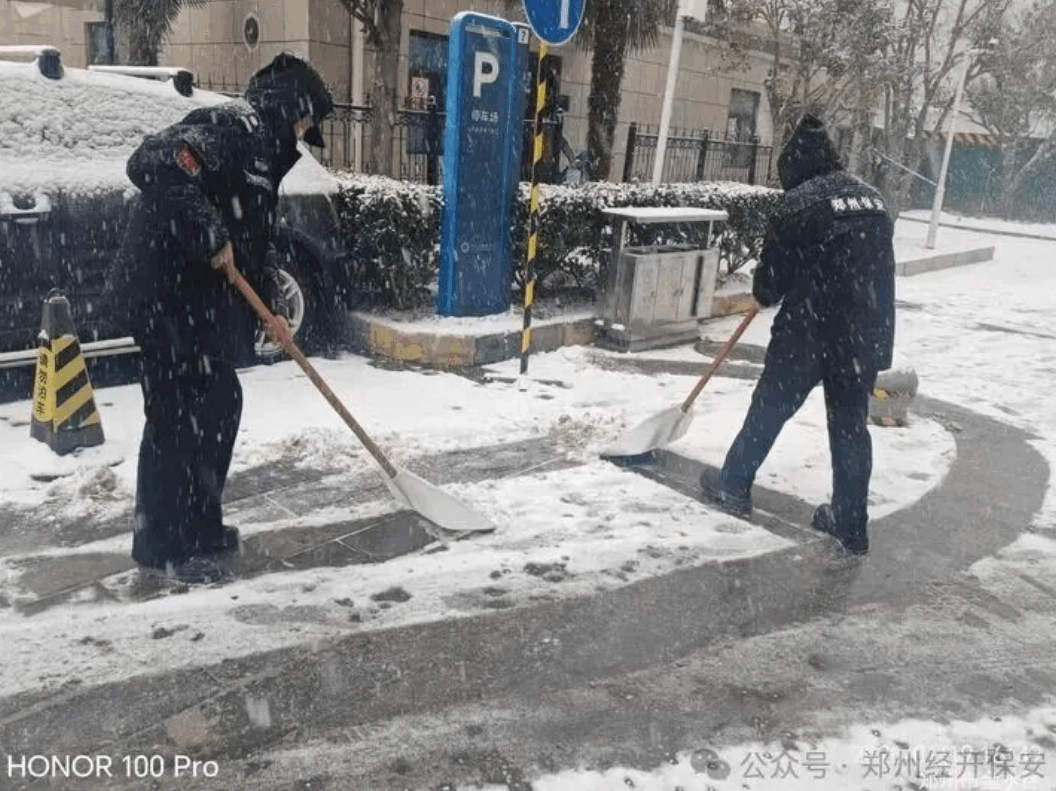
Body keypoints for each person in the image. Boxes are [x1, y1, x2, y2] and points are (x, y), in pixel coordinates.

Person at [116, 52, 334, 582]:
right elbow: (152, 163)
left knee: (217, 401)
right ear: (291, 108)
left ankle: (199, 525)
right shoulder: (232, 126)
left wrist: (272, 307)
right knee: (176, 412)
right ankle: (160, 542)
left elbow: (254, 242)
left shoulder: (264, 155)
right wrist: (209, 234)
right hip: (163, 294)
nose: (304, 135)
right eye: (306, 122)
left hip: (191, 303)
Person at [699, 113, 895, 555]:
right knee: (850, 427)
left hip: (809, 334)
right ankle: (850, 523)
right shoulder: (874, 200)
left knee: (769, 407)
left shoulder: (799, 205)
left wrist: (768, 286)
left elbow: (769, 287)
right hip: (864, 335)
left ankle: (733, 484)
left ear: (795, 168)